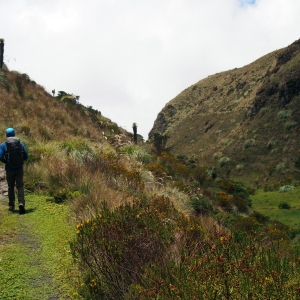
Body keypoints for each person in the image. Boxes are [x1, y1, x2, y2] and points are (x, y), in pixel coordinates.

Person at [0, 128, 28, 214]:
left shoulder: (3, 145)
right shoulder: (20, 144)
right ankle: (21, 203)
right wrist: (21, 161)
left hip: (9, 169)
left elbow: (0, 157)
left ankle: (11, 205)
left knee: (10, 187)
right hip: (19, 168)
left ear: (6, 135)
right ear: (14, 134)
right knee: (20, 186)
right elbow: (26, 156)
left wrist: (6, 162)